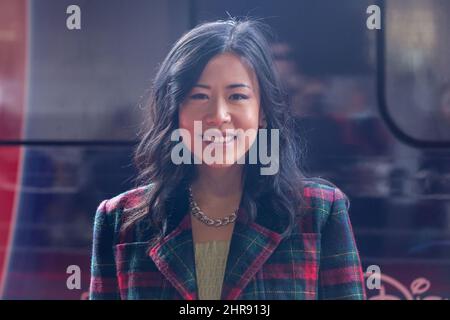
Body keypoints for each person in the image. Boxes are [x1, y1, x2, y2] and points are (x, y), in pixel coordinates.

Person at [89, 18, 366, 300]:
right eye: (199, 95)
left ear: (263, 113)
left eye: (237, 96)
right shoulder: (121, 221)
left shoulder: (319, 212)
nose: (219, 115)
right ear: (174, 113)